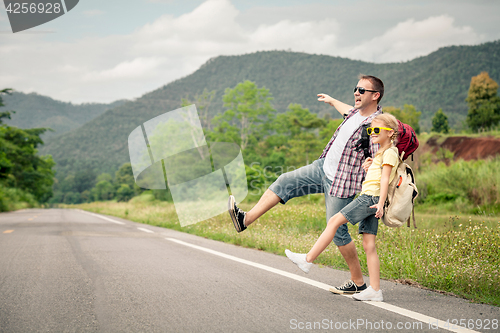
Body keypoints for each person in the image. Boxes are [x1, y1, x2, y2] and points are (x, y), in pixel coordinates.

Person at [229, 75, 384, 294]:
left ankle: (358, 283)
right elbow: (345, 108)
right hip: (322, 167)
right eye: (355, 89)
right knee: (285, 181)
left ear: (375, 96)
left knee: (338, 231)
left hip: (341, 183)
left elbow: (382, 156)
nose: (356, 93)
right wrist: (331, 100)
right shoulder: (354, 113)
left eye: (361, 90)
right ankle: (244, 220)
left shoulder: (376, 126)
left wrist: (372, 171)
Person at [285, 113, 400, 302]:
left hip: (370, 198)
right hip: (373, 198)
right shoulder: (382, 152)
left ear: (391, 133)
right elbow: (380, 176)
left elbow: (386, 179)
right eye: (370, 130)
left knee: (334, 221)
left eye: (376, 130)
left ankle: (307, 260)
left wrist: (380, 203)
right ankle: (375, 290)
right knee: (368, 244)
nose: (371, 133)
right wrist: (370, 166)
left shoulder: (389, 152)